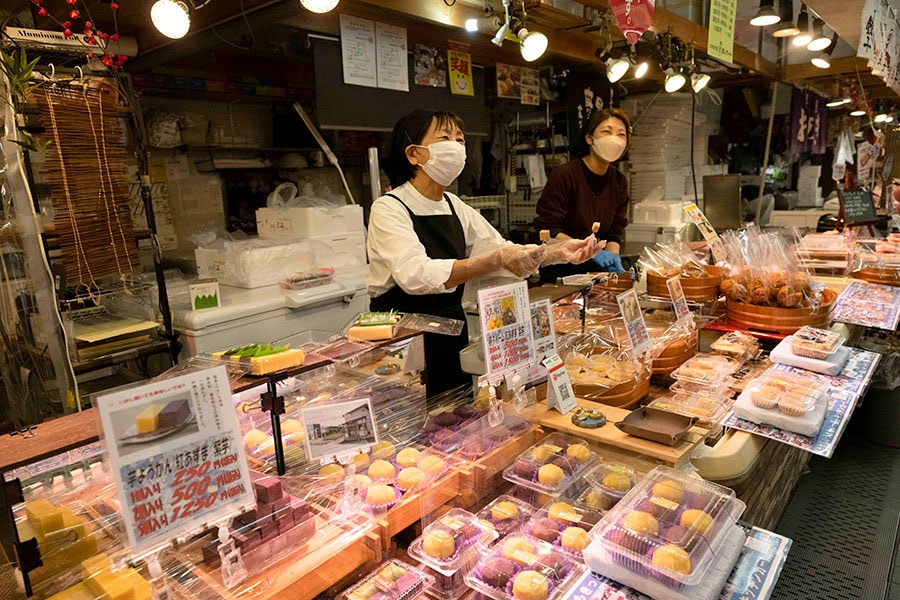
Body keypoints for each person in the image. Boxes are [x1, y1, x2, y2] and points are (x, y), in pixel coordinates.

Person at [367, 109, 600, 397]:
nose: (456, 146)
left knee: (451, 419)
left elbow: (500, 248)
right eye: (445, 137)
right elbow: (415, 275)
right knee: (408, 422)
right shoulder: (389, 207)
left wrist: (556, 252)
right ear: (414, 154)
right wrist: (494, 260)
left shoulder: (454, 204)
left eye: (460, 140)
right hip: (403, 337)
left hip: (451, 330)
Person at [534, 108, 632, 283]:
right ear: (589, 138)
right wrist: (589, 251)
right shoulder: (565, 175)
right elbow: (549, 229)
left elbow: (615, 232)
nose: (614, 139)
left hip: (594, 275)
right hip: (560, 273)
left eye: (621, 134)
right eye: (606, 132)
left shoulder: (619, 182)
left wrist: (612, 256)